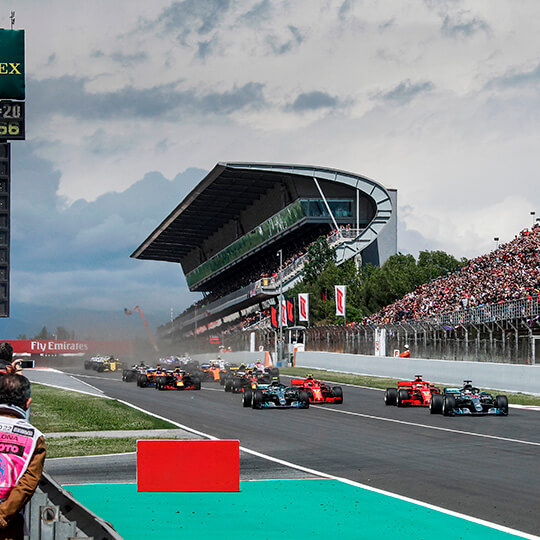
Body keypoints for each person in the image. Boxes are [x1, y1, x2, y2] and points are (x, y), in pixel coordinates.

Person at [0, 375, 46, 540]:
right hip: (7, 525)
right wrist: (3, 516)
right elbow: (27, 484)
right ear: (27, 403)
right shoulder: (35, 437)